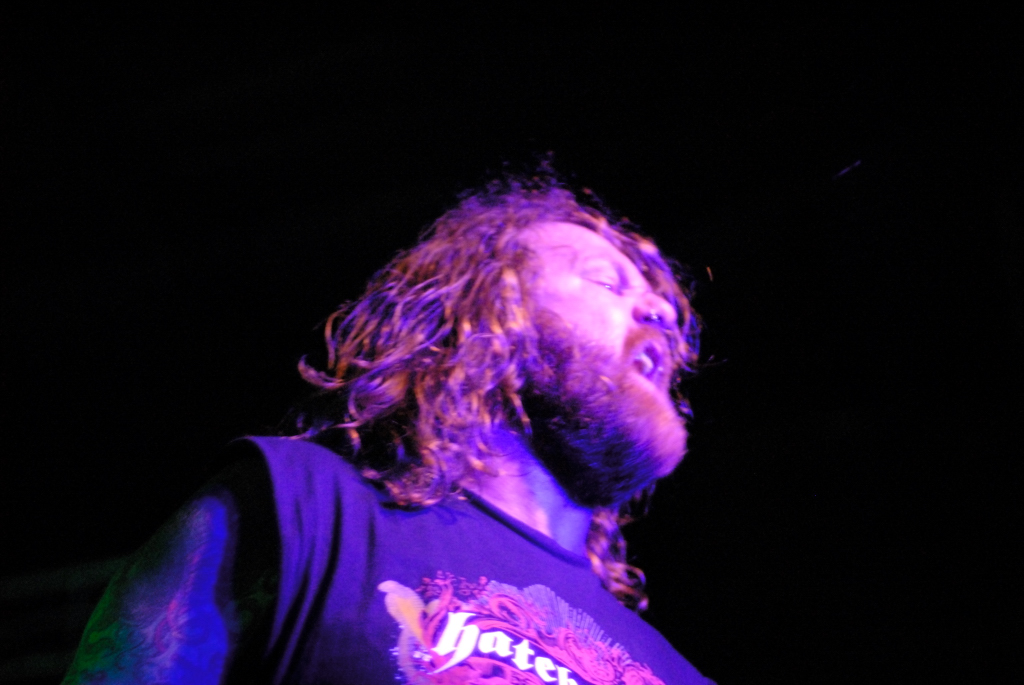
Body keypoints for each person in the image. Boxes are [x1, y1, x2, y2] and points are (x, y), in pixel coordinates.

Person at [62, 172, 715, 684]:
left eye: (656, 300)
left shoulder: (674, 672)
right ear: (489, 314)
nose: (659, 312)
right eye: (607, 282)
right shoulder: (303, 507)